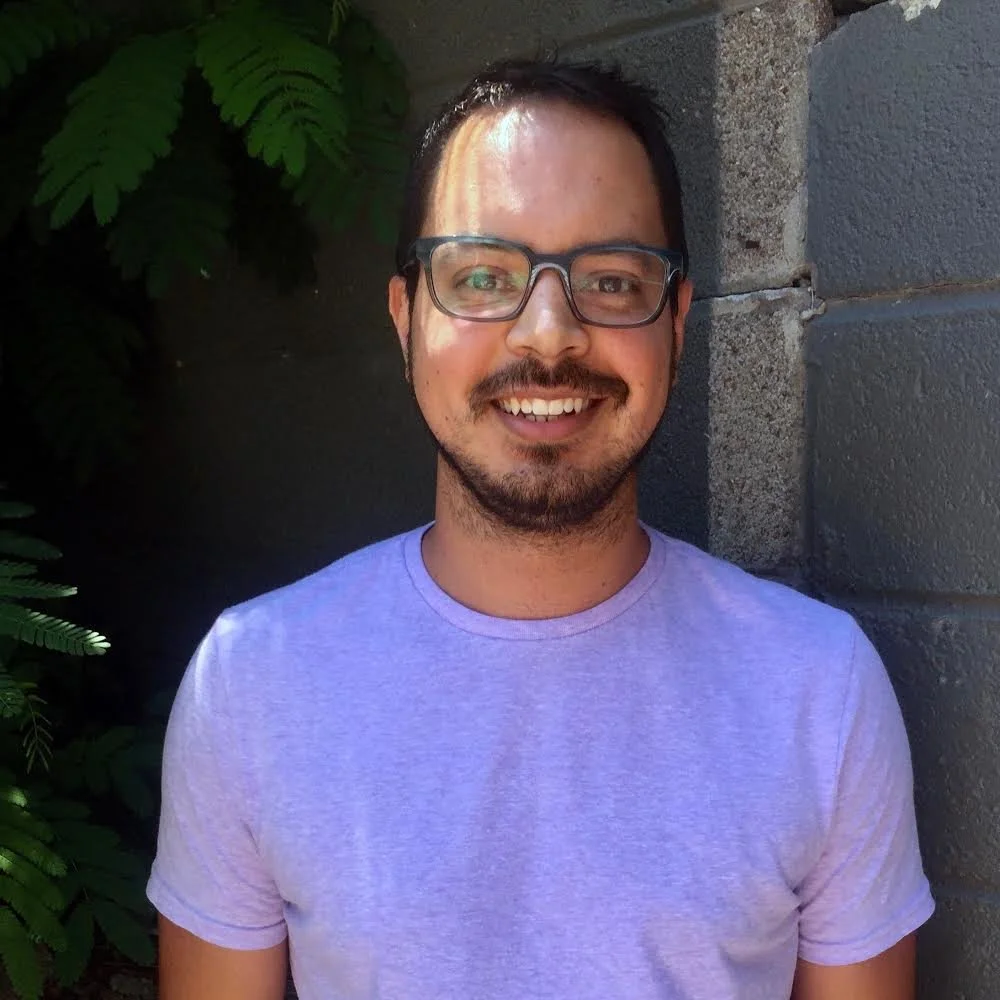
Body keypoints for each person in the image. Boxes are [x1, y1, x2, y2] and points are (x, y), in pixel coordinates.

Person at [147, 59, 935, 1000]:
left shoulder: (818, 689)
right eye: (483, 276)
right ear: (405, 319)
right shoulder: (254, 682)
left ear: (678, 324)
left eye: (612, 280)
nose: (548, 333)